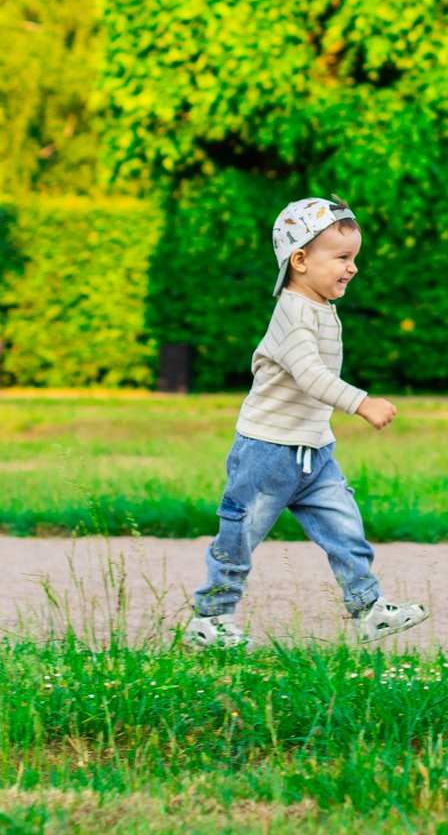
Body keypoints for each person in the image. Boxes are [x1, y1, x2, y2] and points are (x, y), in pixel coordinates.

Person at [183, 197, 430, 650]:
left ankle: (368, 608)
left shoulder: (320, 307)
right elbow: (312, 377)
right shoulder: (293, 313)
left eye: (353, 258)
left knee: (345, 528)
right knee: (238, 536)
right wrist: (362, 403)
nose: (352, 268)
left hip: (313, 453)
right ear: (299, 260)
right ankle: (210, 619)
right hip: (267, 452)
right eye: (341, 258)